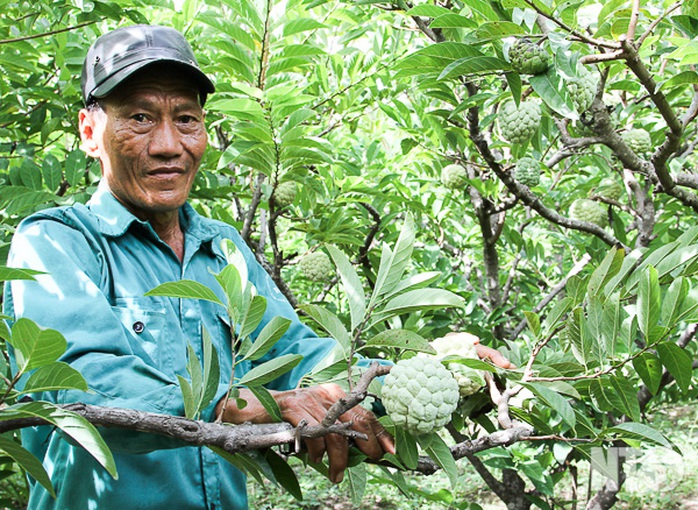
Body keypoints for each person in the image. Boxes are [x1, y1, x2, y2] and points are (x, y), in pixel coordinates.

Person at [3, 24, 511, 509]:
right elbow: (81, 384)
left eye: (186, 119)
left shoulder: (221, 248)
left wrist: (428, 374)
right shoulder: (56, 241)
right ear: (90, 132)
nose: (167, 144)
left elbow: (300, 356)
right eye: (138, 118)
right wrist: (241, 403)